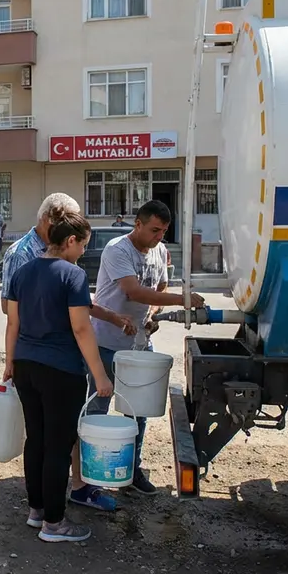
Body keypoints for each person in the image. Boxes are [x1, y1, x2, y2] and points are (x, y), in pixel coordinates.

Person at [0, 193, 136, 512]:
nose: (85, 252)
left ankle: (36, 512)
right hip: (61, 370)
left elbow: (12, 323)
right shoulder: (72, 275)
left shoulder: (24, 271)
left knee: (36, 442)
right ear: (70, 240)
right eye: (84, 245)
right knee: (59, 446)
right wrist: (100, 375)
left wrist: (10, 363)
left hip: (26, 365)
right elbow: (81, 328)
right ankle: (53, 522)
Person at [91, 200, 205, 495]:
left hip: (140, 346)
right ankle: (92, 474)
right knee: (97, 410)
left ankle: (130, 471)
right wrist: (184, 299)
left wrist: (153, 317)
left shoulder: (160, 251)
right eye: (154, 230)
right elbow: (133, 290)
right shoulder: (118, 250)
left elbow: (158, 291)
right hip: (105, 343)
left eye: (164, 231)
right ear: (138, 224)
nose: (159, 237)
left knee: (138, 411)